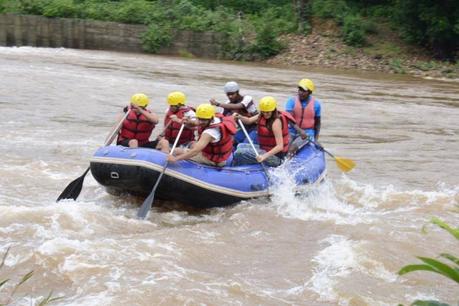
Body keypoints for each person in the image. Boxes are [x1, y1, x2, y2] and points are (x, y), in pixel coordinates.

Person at [232, 96, 295, 167]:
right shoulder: (261, 115)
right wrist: (239, 117)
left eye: (267, 112)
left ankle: (237, 169)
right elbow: (249, 121)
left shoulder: (276, 122)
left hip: (276, 158)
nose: (265, 114)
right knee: (240, 146)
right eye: (263, 111)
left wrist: (264, 156)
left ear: (273, 110)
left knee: (239, 152)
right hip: (266, 149)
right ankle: (238, 165)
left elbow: (280, 146)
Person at [168, 104, 236, 167]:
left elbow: (195, 151)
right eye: (199, 118)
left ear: (211, 118)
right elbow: (196, 122)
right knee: (177, 150)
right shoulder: (216, 119)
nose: (200, 122)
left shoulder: (210, 132)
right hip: (210, 154)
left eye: (203, 120)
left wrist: (175, 159)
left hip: (213, 160)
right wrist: (188, 121)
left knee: (177, 153)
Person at [209, 81, 258, 146]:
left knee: (245, 145)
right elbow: (221, 118)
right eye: (228, 94)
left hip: (255, 127)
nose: (230, 96)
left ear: (237, 92)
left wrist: (217, 104)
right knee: (232, 142)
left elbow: (238, 106)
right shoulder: (227, 104)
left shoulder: (247, 98)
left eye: (232, 94)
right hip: (243, 129)